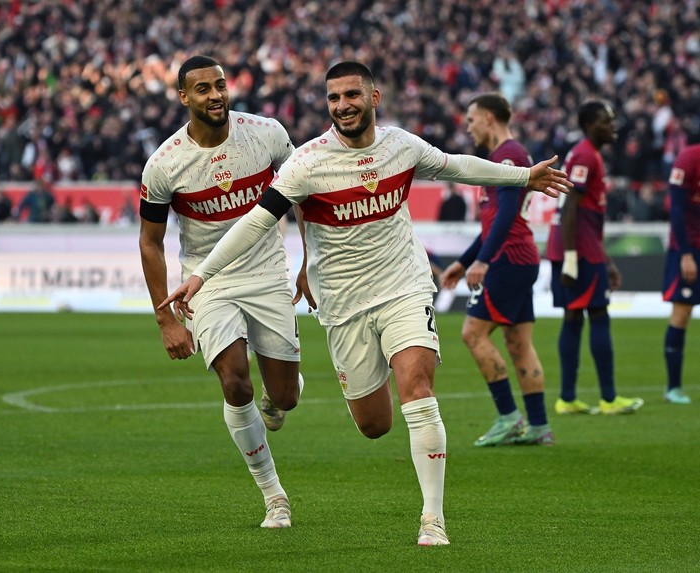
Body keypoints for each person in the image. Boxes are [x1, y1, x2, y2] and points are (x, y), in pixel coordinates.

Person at [160, 61, 572, 546]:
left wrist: (523, 177)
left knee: (417, 387)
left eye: (352, 95)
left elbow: (457, 164)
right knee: (374, 425)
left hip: (404, 285)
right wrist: (202, 274)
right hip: (345, 305)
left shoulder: (401, 145)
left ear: (373, 97)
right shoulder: (308, 163)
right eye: (334, 98)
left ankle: (432, 519)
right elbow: (257, 220)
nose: (343, 106)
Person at [138, 55, 304, 529]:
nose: (215, 95)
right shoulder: (165, 164)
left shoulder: (266, 134)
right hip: (206, 282)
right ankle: (275, 497)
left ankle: (283, 394)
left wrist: (311, 261)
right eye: (203, 89)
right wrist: (165, 318)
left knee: (285, 397)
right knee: (235, 380)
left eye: (220, 85)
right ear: (183, 97)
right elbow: (150, 243)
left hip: (268, 273)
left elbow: (303, 195)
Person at [440, 93, 553, 447]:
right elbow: (492, 223)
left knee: (473, 334)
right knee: (519, 343)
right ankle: (538, 426)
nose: (468, 127)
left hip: (507, 259)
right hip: (520, 256)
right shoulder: (508, 156)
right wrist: (463, 261)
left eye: (471, 120)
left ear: (489, 118)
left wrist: (484, 260)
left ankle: (509, 417)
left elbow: (505, 216)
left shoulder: (507, 156)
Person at [546, 100, 644, 416]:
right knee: (598, 315)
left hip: (580, 248)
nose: (612, 125)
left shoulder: (586, 153)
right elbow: (570, 207)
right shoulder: (587, 154)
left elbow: (584, 215)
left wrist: (608, 263)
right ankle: (609, 398)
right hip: (580, 252)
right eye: (606, 120)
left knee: (574, 318)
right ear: (590, 125)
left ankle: (567, 398)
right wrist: (573, 258)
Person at [661, 142, 700, 404]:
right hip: (689, 248)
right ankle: (673, 387)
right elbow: (675, 208)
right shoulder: (689, 158)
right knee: (682, 311)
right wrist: (685, 253)